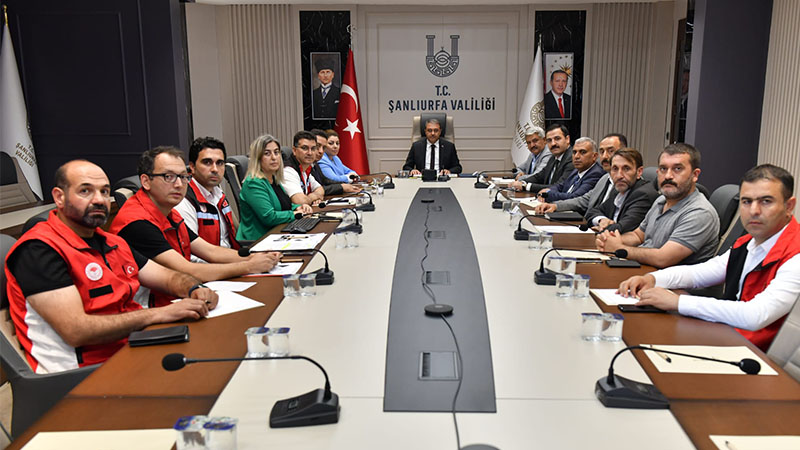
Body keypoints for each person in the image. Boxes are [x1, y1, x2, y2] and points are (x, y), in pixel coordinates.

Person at [5, 160, 218, 373]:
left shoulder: (112, 242)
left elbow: (167, 276)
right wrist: (158, 314)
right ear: (59, 197)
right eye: (85, 191)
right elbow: (76, 330)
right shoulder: (39, 249)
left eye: (104, 191)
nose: (99, 200)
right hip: (81, 375)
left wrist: (194, 289)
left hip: (132, 350)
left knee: (214, 356)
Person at [618, 164, 799, 351]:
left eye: (766, 201)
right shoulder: (748, 243)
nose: (753, 210)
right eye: (746, 201)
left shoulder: (796, 254)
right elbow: (701, 272)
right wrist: (653, 279)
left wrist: (678, 302)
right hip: (728, 337)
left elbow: (756, 315)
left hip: (756, 358)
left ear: (789, 206)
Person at [110, 146, 280, 307]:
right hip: (149, 308)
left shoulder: (168, 212)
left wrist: (257, 258)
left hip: (179, 296)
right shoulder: (137, 222)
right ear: (146, 181)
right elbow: (187, 270)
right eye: (168, 177)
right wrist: (249, 265)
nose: (178, 184)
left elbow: (210, 251)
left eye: (183, 177)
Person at [596, 143, 719, 268]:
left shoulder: (700, 212)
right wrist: (610, 240)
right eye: (663, 169)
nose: (668, 176)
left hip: (673, 285)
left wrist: (619, 248)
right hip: (646, 272)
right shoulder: (661, 200)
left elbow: (663, 258)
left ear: (695, 175)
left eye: (677, 169)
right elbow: (638, 236)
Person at [237, 135, 313, 241]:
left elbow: (282, 204)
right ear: (258, 158)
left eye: (276, 152)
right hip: (259, 240)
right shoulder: (253, 183)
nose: (274, 157)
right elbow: (269, 217)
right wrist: (295, 214)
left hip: (277, 233)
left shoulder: (273, 178)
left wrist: (298, 207)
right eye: (267, 153)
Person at [534, 133, 627, 215]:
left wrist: (548, 195)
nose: (605, 156)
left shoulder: (599, 174)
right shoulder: (604, 179)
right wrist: (555, 206)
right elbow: (583, 200)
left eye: (611, 151)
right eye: (602, 151)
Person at [174, 137, 239, 253]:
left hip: (231, 259)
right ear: (192, 167)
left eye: (220, 163)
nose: (215, 169)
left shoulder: (218, 193)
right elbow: (191, 255)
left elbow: (235, 233)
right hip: (213, 267)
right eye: (207, 162)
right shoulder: (184, 200)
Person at [585, 148, 658, 233]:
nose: (619, 175)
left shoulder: (644, 195)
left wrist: (603, 229)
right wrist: (601, 220)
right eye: (615, 169)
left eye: (626, 169)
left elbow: (622, 228)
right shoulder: (618, 189)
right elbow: (592, 211)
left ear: (639, 172)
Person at [536, 137, 604, 202]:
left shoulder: (595, 173)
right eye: (574, 152)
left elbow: (574, 198)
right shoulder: (576, 170)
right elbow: (560, 186)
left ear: (594, 156)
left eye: (583, 152)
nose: (576, 156)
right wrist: (548, 190)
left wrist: (547, 195)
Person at [512, 124, 573, 192]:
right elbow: (539, 177)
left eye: (557, 139)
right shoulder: (553, 158)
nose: (553, 144)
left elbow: (559, 186)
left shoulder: (572, 158)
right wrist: (522, 182)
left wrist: (526, 186)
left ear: (567, 139)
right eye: (549, 140)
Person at [309, 129, 362, 196]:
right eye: (331, 143)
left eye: (337, 143)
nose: (335, 146)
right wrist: (344, 183)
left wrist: (348, 180)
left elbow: (325, 181)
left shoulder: (335, 158)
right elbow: (331, 179)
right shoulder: (320, 160)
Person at [281, 131, 327, 205]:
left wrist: (311, 197)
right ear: (294, 150)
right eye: (304, 148)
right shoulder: (288, 171)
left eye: (313, 149)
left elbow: (320, 189)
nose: (309, 153)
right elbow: (300, 201)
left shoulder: (305, 168)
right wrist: (313, 197)